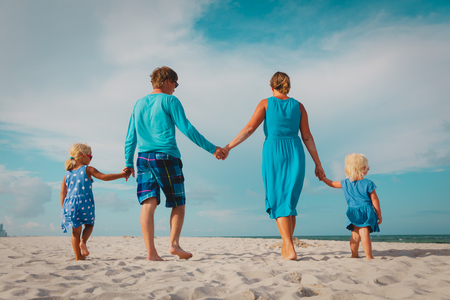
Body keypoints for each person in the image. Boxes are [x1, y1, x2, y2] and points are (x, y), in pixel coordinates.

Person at [124, 66, 227, 261]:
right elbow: (187, 128)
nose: (175, 88)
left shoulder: (138, 104)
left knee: (148, 202)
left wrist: (128, 162)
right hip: (166, 156)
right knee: (178, 202)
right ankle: (173, 244)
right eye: (175, 84)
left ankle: (151, 253)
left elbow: (131, 136)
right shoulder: (170, 100)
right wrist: (212, 148)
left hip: (143, 158)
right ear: (167, 81)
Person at [223, 71, 324, 260]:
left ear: (271, 87)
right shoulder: (299, 106)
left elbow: (249, 129)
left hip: (274, 151)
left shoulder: (265, 103)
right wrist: (318, 164)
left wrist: (229, 147)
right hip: (295, 151)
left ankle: (289, 246)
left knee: (279, 199)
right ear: (288, 87)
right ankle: (288, 247)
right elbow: (308, 137)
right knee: (289, 202)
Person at [60, 143, 130, 261]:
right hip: (85, 203)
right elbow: (105, 177)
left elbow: (63, 193)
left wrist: (63, 209)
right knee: (89, 225)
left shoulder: (67, 174)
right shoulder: (88, 169)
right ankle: (83, 242)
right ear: (83, 156)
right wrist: (123, 174)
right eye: (90, 156)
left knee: (75, 232)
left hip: (70, 205)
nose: (91, 159)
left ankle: (78, 257)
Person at [320, 153, 382, 259]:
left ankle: (354, 255)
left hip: (352, 211)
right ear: (363, 168)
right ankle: (369, 256)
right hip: (366, 210)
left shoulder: (345, 183)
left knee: (355, 234)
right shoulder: (368, 183)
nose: (368, 169)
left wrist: (323, 177)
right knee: (364, 232)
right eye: (368, 168)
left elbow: (332, 184)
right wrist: (379, 215)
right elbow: (374, 200)